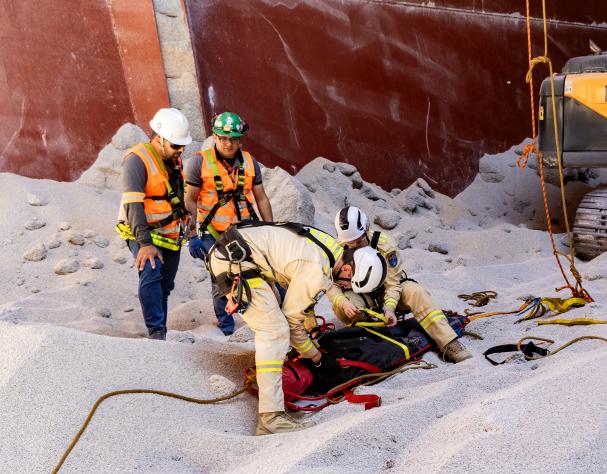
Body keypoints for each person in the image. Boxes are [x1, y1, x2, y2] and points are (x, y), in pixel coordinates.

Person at [205, 221, 344, 435]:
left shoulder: (329, 248)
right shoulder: (317, 269)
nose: (345, 287)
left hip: (240, 254)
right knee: (275, 330)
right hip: (236, 263)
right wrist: (316, 357)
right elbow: (291, 322)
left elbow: (303, 305)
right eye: (349, 282)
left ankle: (276, 371)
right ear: (349, 268)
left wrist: (312, 334)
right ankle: (271, 418)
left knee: (276, 315)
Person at [330, 206, 472, 363]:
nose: (356, 246)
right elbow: (330, 284)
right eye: (351, 243)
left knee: (415, 291)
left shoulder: (384, 245)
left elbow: (393, 283)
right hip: (360, 295)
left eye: (359, 240)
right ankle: (368, 336)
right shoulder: (338, 250)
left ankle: (448, 342)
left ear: (367, 228)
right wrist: (342, 302)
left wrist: (389, 308)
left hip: (387, 291)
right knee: (342, 307)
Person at [183, 111, 274, 335]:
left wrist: (271, 228)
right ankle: (227, 327)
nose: (228, 143)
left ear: (240, 139)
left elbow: (261, 197)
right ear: (214, 136)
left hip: (245, 230)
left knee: (258, 273)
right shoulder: (199, 162)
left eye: (233, 138)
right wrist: (192, 236)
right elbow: (189, 200)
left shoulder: (250, 162)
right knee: (221, 280)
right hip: (212, 232)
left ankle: (260, 319)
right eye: (223, 138)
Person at [116, 108, 193, 340]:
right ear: (159, 138)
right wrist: (144, 244)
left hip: (170, 233)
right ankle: (156, 332)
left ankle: (161, 332)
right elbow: (133, 205)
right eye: (176, 146)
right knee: (151, 273)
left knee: (165, 286)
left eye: (183, 146)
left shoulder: (174, 160)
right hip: (143, 231)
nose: (181, 151)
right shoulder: (136, 160)